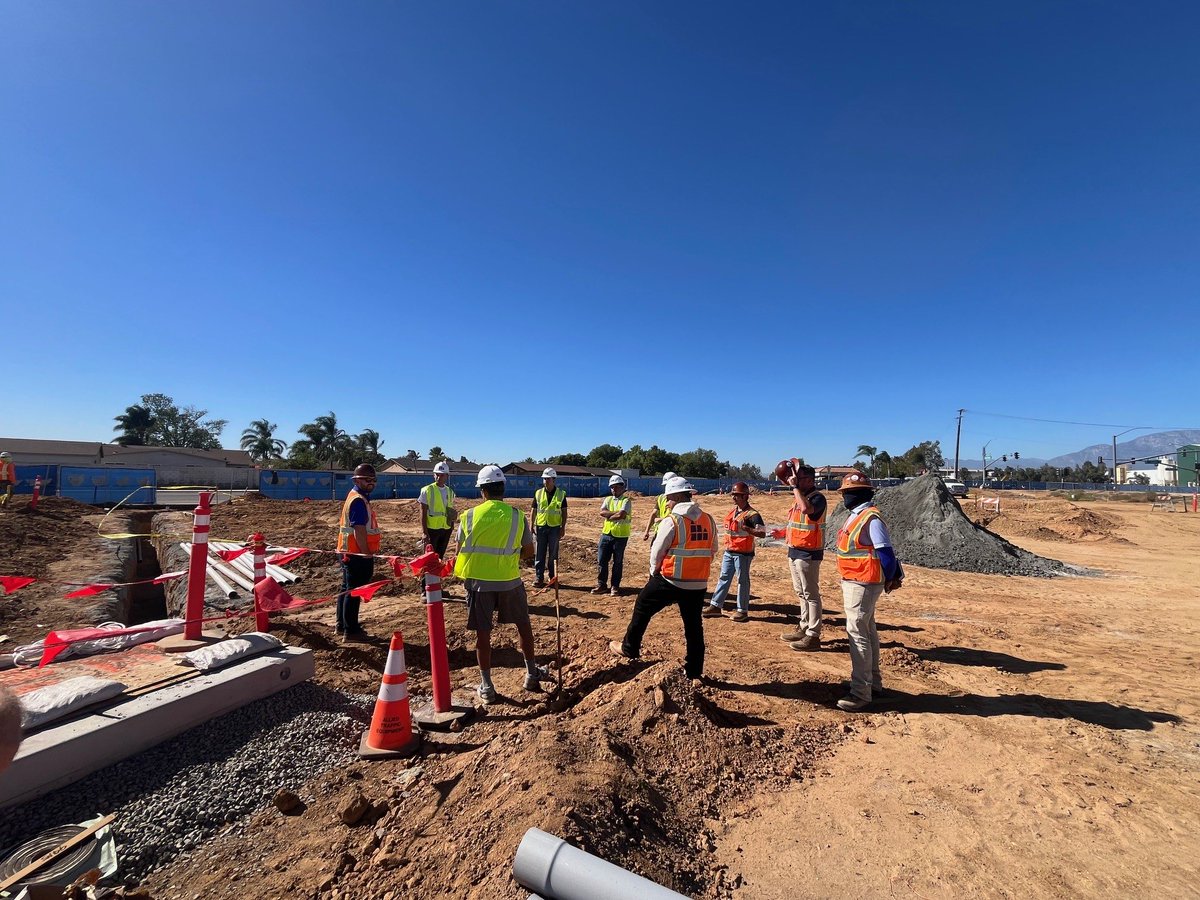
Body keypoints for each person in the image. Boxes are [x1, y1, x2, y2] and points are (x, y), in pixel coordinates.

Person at [454, 465, 552, 703]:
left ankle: (486, 687)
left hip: (478, 584)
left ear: (482, 491)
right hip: (509, 581)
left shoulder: (468, 516)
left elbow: (459, 552)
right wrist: (507, 558)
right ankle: (531, 674)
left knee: (483, 635)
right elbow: (529, 552)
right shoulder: (517, 516)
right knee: (523, 627)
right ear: (502, 489)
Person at [609, 476, 717, 680]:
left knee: (642, 604)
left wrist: (654, 573)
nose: (667, 503)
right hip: (698, 583)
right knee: (693, 626)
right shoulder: (708, 519)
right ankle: (694, 671)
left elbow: (657, 552)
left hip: (671, 579)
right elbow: (713, 549)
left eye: (668, 498)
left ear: (676, 496)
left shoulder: (672, 520)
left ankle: (629, 647)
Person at [834, 472, 903, 711]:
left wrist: (892, 576)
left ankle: (861, 691)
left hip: (863, 582)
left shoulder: (871, 518)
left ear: (859, 493)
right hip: (856, 580)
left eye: (847, 493)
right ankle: (873, 682)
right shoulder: (857, 516)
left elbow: (886, 552)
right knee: (868, 629)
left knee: (857, 633)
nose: (844, 497)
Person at [780, 463, 829, 651]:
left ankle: (813, 635)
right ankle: (804, 626)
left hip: (809, 553)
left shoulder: (817, 498)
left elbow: (807, 510)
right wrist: (782, 533)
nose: (793, 480)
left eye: (797, 478)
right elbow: (798, 524)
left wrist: (794, 488)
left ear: (809, 480)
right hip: (795, 551)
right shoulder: (801, 497)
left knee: (811, 594)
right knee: (801, 593)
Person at [703, 482, 766, 622]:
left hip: (743, 553)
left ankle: (742, 611)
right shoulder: (733, 512)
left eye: (737, 495)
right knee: (723, 578)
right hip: (729, 551)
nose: (734, 498)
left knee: (742, 582)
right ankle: (716, 605)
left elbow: (762, 533)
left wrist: (748, 529)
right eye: (733, 495)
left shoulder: (752, 515)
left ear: (745, 496)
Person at [335, 463, 380, 642]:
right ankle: (351, 631)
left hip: (348, 551)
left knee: (346, 590)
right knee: (353, 592)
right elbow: (358, 529)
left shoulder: (356, 496)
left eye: (373, 480)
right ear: (357, 480)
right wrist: (366, 552)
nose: (371, 483)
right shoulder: (358, 500)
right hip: (356, 553)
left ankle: (342, 624)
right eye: (367, 480)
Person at [593, 475, 632, 596]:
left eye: (616, 487)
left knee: (617, 562)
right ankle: (602, 585)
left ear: (622, 487)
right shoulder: (608, 499)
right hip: (606, 534)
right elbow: (602, 512)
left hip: (620, 536)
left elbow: (621, 515)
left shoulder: (626, 501)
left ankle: (615, 586)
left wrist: (609, 515)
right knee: (602, 561)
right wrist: (615, 513)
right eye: (612, 487)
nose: (614, 489)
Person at [532, 467, 567, 588]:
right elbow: (534, 510)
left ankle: (552, 577)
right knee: (539, 553)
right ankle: (539, 577)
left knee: (553, 554)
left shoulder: (561, 494)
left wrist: (563, 527)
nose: (545, 481)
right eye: (544, 479)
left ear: (554, 479)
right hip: (541, 526)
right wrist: (532, 525)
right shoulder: (538, 493)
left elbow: (564, 512)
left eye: (548, 479)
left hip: (554, 527)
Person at [419, 460, 457, 558]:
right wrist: (424, 532)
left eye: (442, 475)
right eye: (437, 474)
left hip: (446, 528)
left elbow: (450, 510)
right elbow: (423, 512)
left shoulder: (450, 491)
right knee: (429, 557)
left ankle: (436, 573)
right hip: (431, 529)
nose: (439, 477)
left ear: (447, 476)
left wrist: (452, 525)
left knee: (440, 556)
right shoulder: (427, 490)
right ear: (434, 475)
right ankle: (426, 573)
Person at [641, 471, 678, 541]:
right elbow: (654, 514)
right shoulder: (661, 497)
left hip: (672, 534)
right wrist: (647, 531)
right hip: (659, 532)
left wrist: (661, 520)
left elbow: (679, 519)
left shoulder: (679, 500)